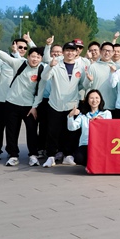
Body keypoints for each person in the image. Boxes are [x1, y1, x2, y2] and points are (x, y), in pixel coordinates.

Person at [0, 40, 45, 167]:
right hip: (12, 103)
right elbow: (6, 57)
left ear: (41, 59)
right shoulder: (19, 63)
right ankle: (13, 155)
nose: (35, 59)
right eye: (33, 56)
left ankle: (33, 155)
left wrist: (35, 107)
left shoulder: (42, 69)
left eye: (38, 57)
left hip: (29, 106)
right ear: (28, 56)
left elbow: (40, 91)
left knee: (32, 131)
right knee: (11, 130)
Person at [42, 39, 87, 167]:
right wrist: (50, 66)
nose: (70, 53)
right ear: (63, 52)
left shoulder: (80, 67)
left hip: (72, 105)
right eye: (67, 50)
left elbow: (82, 85)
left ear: (76, 52)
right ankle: (51, 156)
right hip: (55, 104)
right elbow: (45, 77)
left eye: (72, 50)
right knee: (53, 132)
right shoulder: (56, 65)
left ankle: (68, 155)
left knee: (70, 132)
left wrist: (89, 81)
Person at [0, 38, 29, 160]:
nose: (22, 50)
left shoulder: (26, 62)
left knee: (13, 128)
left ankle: (12, 150)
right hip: (2, 99)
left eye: (25, 48)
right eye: (20, 47)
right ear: (13, 46)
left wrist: (17, 53)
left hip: (17, 101)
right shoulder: (2, 59)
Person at [67, 89, 112, 165]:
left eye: (97, 98)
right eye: (91, 98)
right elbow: (72, 127)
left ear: (100, 99)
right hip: (86, 143)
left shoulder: (106, 113)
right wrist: (71, 115)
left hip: (101, 144)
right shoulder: (83, 115)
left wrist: (99, 121)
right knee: (79, 158)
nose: (94, 100)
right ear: (87, 100)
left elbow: (109, 128)